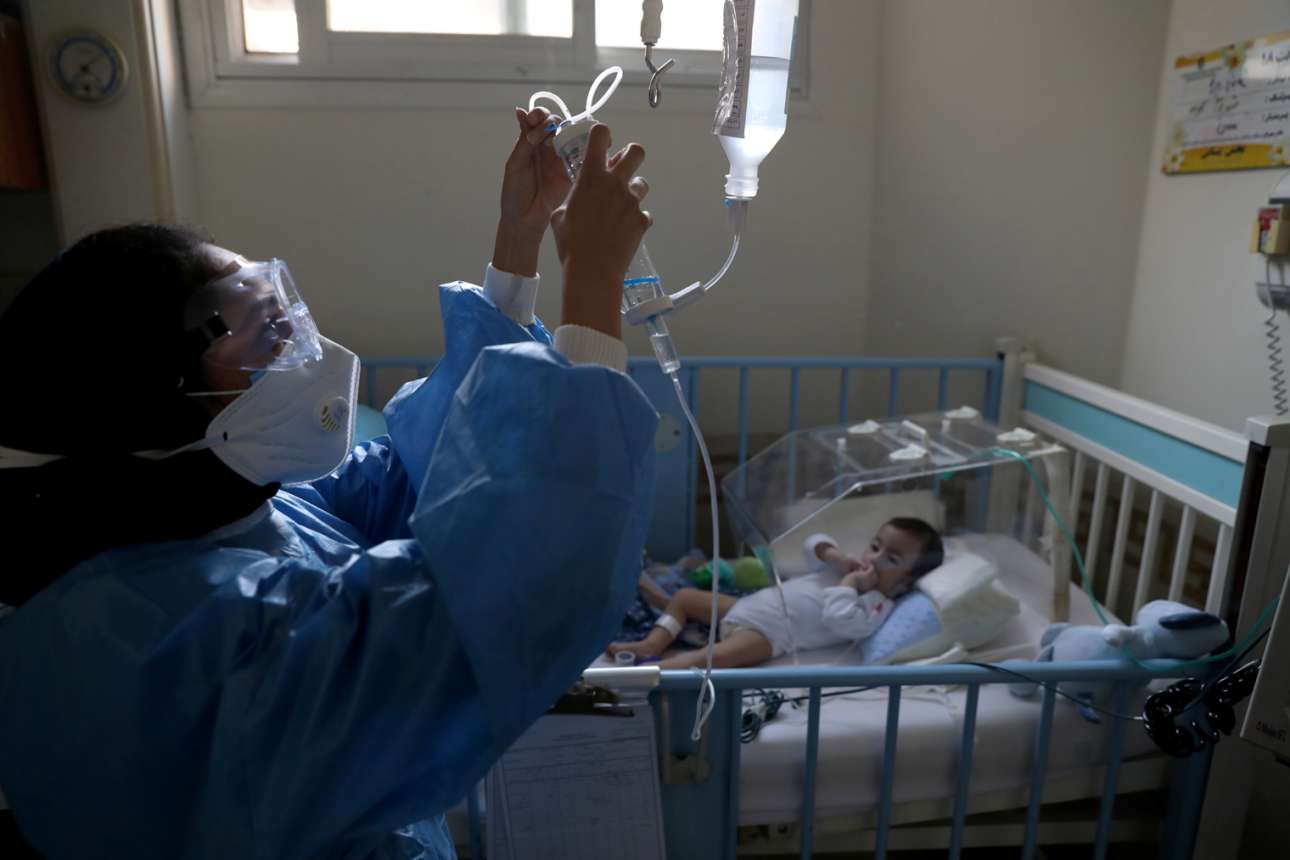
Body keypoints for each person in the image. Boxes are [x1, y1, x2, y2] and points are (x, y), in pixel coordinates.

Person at [0, 111, 658, 859]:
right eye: (262, 332)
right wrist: (594, 288)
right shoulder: (150, 644)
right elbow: (494, 598)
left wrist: (519, 244)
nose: (300, 347)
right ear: (151, 401)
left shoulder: (223, 514)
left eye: (281, 312)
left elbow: (424, 474)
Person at [608, 519, 945, 669]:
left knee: (711, 659)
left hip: (769, 635)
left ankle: (657, 670)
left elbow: (840, 620)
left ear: (907, 580)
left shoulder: (877, 605)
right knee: (684, 598)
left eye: (891, 558)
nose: (874, 558)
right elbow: (811, 544)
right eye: (875, 546)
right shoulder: (845, 567)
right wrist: (835, 556)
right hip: (747, 606)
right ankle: (651, 645)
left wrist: (850, 586)